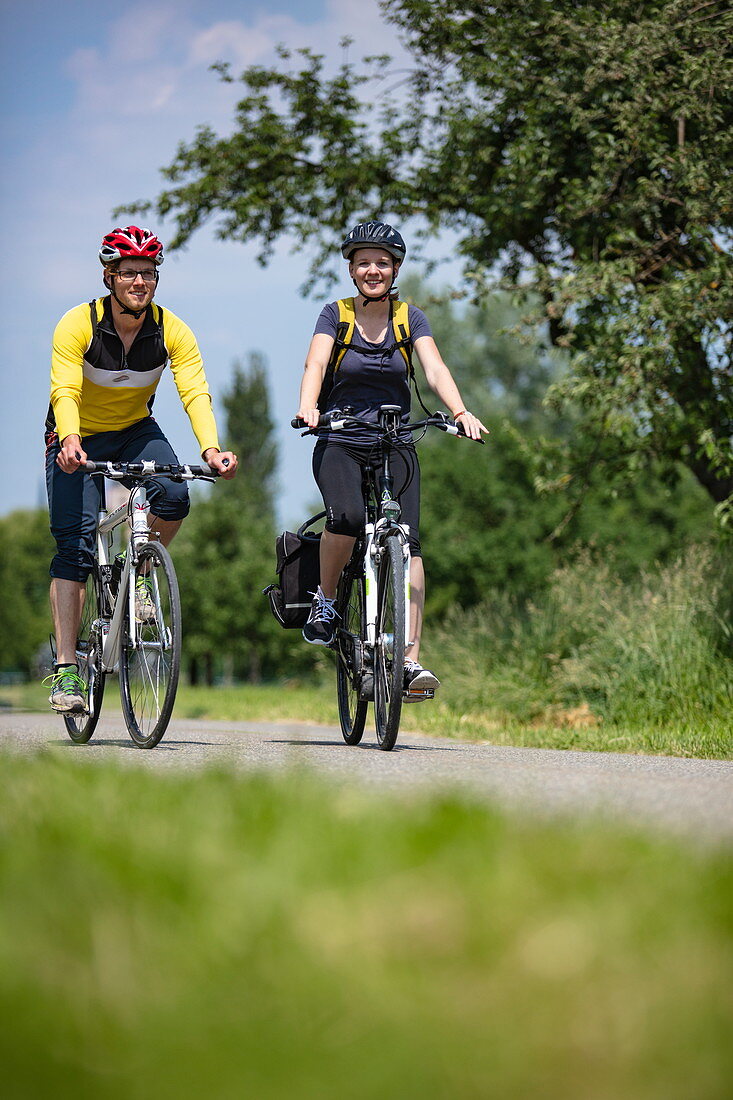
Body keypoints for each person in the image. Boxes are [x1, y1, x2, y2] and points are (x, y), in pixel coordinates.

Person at [44, 225, 238, 713]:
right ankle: (66, 670)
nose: (139, 281)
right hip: (77, 436)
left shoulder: (171, 329)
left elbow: (195, 391)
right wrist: (69, 440)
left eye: (148, 273)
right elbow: (64, 389)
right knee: (76, 545)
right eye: (129, 272)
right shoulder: (78, 324)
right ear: (109, 276)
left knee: (174, 495)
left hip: (134, 429)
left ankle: (143, 575)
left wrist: (211, 449)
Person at [296, 221, 486, 697]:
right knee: (346, 516)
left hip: (396, 439)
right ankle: (328, 600)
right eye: (363, 262)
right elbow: (316, 364)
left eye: (382, 262)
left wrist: (459, 411)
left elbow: (434, 367)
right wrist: (309, 405)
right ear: (351, 269)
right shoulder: (334, 315)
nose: (373, 270)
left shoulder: (410, 318)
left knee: (409, 542)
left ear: (395, 268)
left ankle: (409, 661)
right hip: (340, 436)